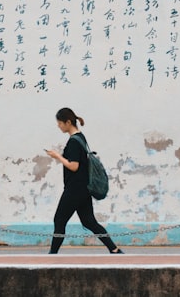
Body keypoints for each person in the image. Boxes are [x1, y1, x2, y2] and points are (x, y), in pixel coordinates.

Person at [44, 107, 123, 254]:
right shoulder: (81, 137)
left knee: (59, 220)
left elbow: (74, 166)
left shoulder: (73, 142)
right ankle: (114, 249)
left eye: (60, 123)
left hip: (74, 189)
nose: (58, 126)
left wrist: (57, 156)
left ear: (68, 122)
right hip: (84, 188)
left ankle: (52, 254)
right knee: (89, 221)